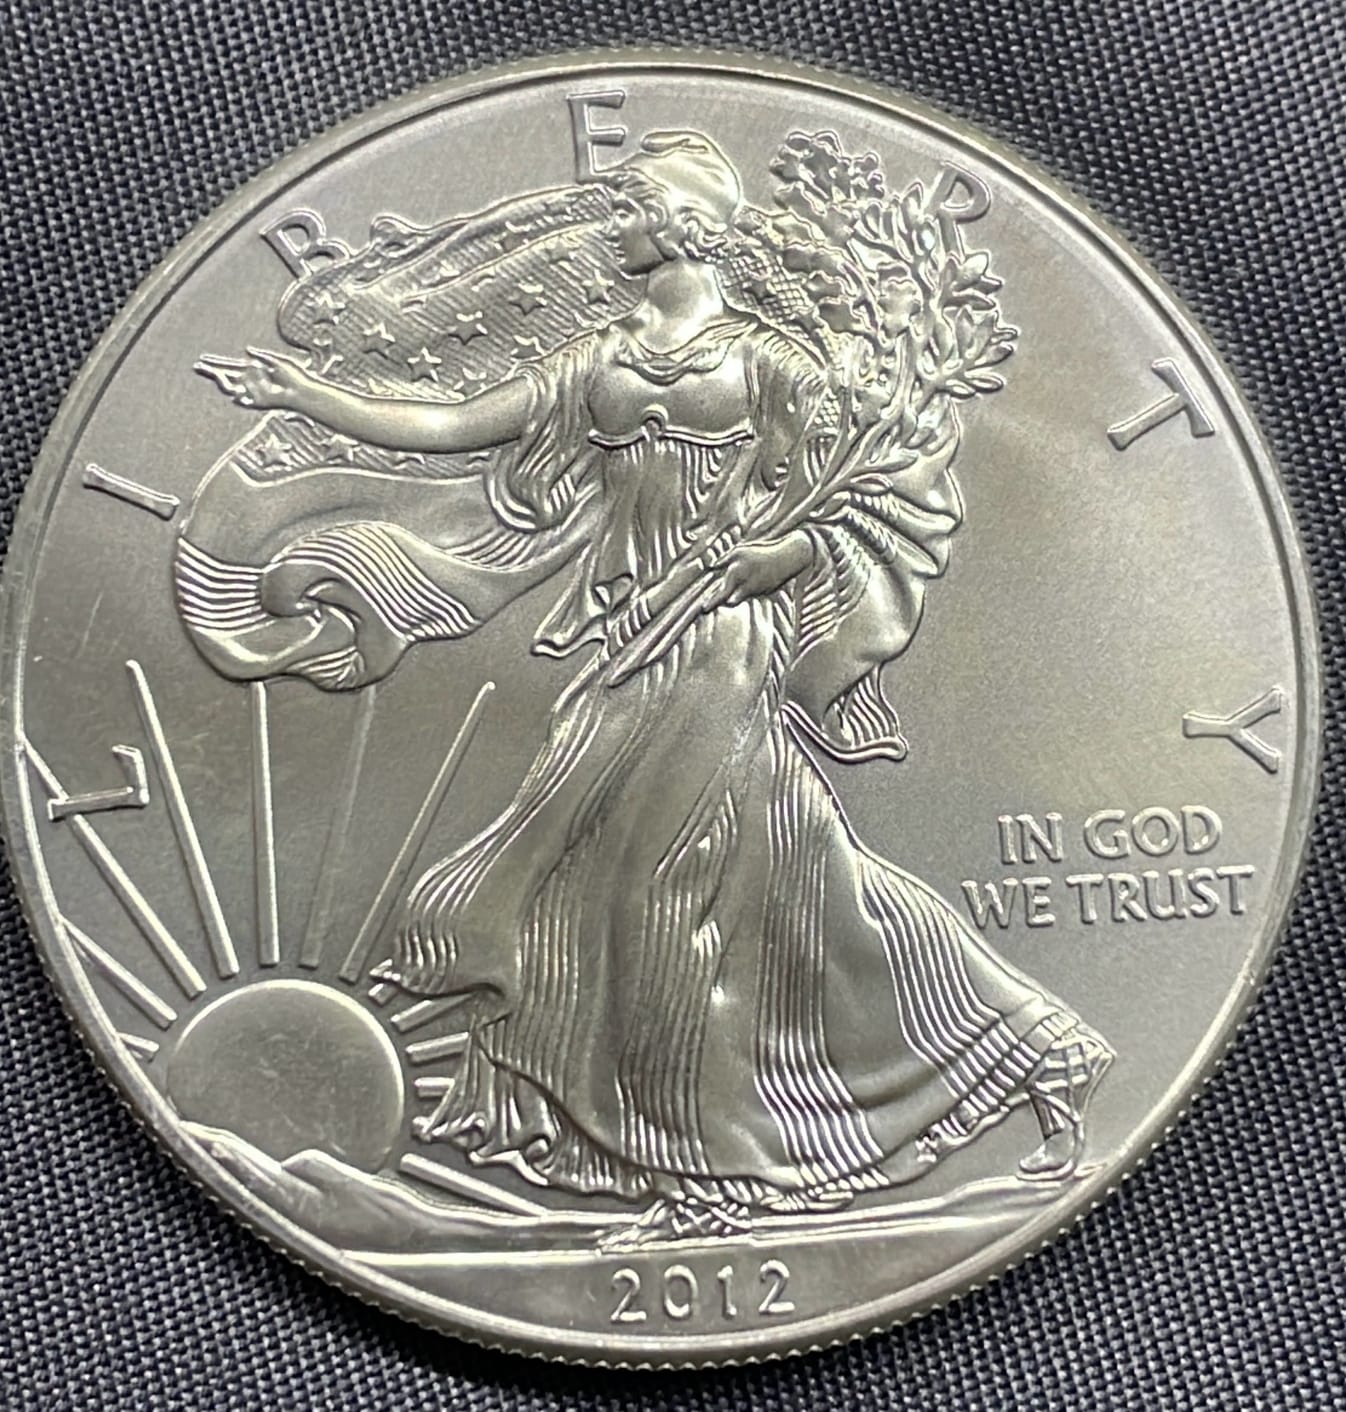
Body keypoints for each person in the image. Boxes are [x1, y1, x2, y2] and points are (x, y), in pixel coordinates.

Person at [201, 130, 1111, 1242]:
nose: (617, 225)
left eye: (633, 206)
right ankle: (1031, 1047)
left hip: (722, 641)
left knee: (657, 892)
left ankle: (712, 1170)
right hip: (629, 638)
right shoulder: (602, 361)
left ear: (682, 225)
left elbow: (877, 496)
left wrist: (779, 555)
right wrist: (309, 394)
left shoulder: (771, 365)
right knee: (788, 880)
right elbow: (454, 428)